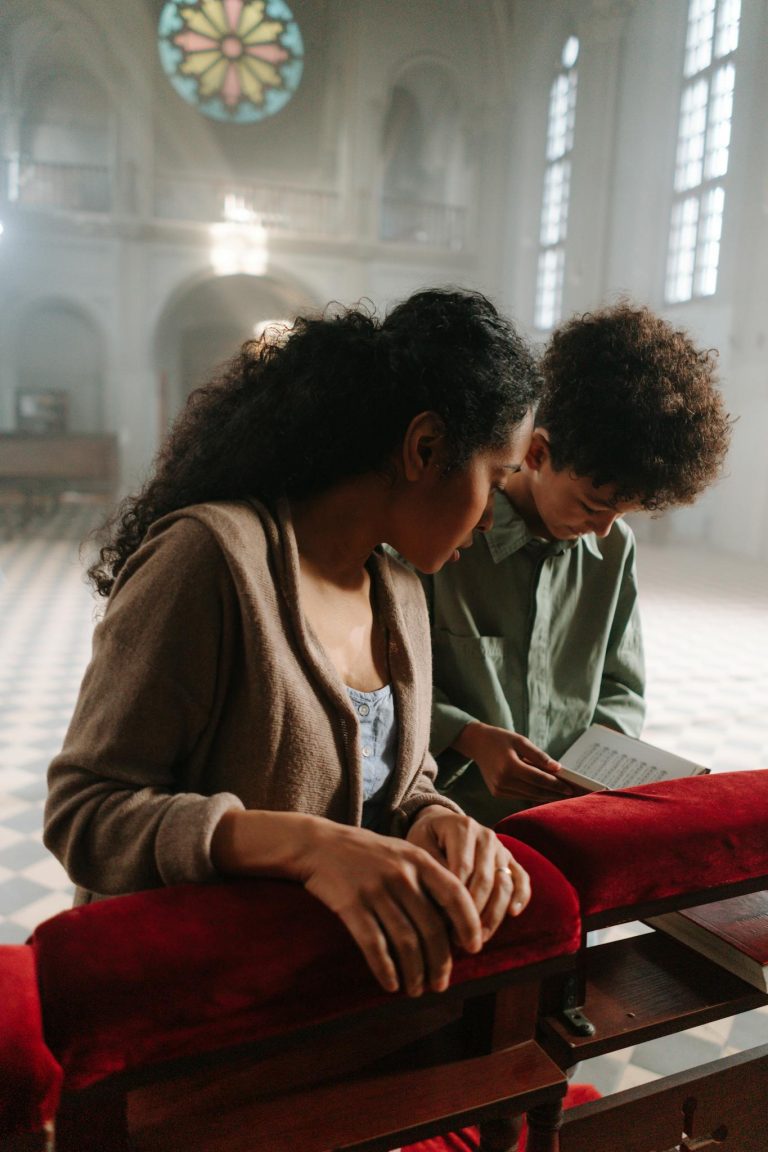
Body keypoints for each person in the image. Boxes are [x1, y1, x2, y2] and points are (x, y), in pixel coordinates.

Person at [44, 287, 542, 1000]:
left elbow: (398, 781)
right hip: (189, 1008)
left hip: (326, 1002)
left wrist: (435, 819)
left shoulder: (400, 593)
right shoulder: (211, 559)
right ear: (424, 447)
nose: (493, 517)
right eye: (496, 477)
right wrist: (305, 846)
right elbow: (84, 812)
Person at [423, 301, 732, 828]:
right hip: (455, 818)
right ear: (538, 454)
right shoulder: (444, 540)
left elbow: (620, 685)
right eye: (593, 505)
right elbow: (379, 681)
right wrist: (469, 739)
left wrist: (593, 770)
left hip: (570, 817)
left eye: (623, 512)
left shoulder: (614, 550)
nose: (605, 529)